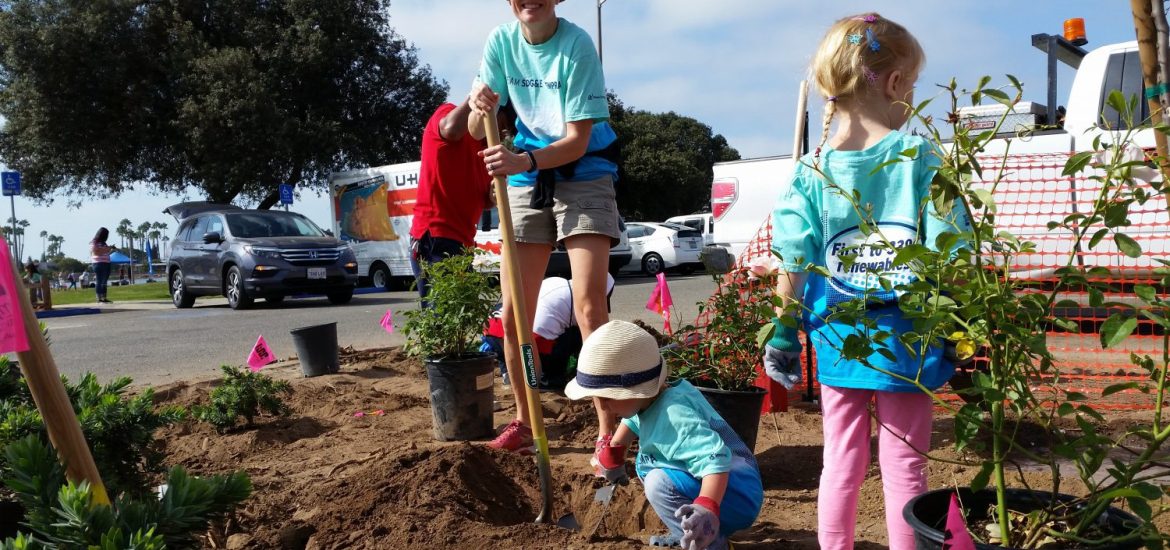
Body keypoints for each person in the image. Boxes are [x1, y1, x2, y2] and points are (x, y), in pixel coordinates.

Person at [764, 14, 969, 550]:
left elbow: (794, 262)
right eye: (914, 87)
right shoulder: (921, 157)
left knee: (841, 463)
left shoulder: (811, 173)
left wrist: (782, 335)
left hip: (839, 344)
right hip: (910, 344)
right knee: (906, 470)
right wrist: (961, 323)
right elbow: (955, 252)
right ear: (897, 84)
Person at [467, 0, 622, 463]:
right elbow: (478, 128)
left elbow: (576, 139)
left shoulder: (576, 46)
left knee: (590, 306)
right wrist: (480, 107)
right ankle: (526, 418)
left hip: (585, 170)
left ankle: (608, 428)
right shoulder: (501, 41)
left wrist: (524, 159)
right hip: (525, 174)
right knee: (513, 316)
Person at [565, 320, 763, 550]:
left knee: (659, 484)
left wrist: (706, 508)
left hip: (733, 493)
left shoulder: (675, 417)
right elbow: (634, 420)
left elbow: (716, 459)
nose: (603, 407)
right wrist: (615, 451)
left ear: (635, 390)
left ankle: (710, 541)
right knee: (654, 471)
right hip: (728, 487)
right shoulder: (652, 400)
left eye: (607, 397)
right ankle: (684, 532)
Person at [409, 99, 516, 304]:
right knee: (443, 315)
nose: (504, 134)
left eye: (509, 131)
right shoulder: (449, 115)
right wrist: (478, 95)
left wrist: (492, 198)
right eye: (504, 124)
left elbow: (483, 199)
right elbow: (449, 130)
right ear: (490, 110)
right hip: (435, 237)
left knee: (459, 314)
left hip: (463, 242)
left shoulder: (487, 151)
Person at [482, 273, 616, 389]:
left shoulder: (556, 282)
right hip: (530, 342)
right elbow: (592, 332)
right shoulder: (582, 301)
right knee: (576, 334)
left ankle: (508, 371)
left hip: (492, 330)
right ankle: (549, 378)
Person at [90, 227, 116, 303]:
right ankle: (99, 298)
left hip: (106, 263)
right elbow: (95, 252)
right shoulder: (94, 242)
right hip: (98, 263)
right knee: (99, 280)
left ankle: (104, 297)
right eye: (106, 235)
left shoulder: (104, 243)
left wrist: (109, 248)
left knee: (104, 281)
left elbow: (105, 251)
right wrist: (107, 249)